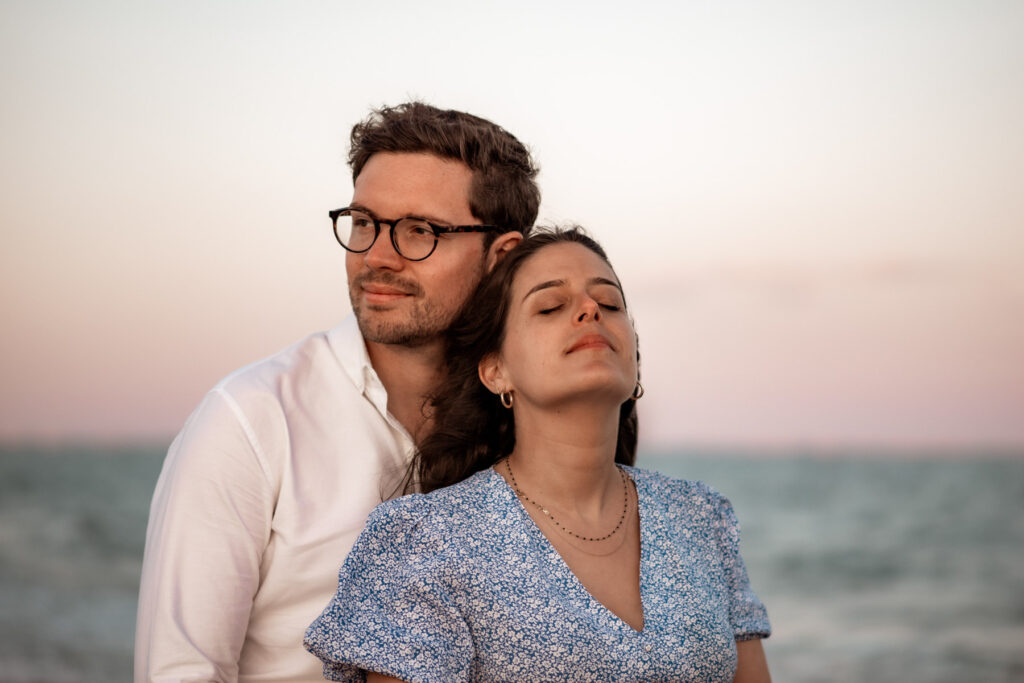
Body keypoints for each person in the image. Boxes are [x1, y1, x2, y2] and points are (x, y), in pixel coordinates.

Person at [134, 102, 541, 683]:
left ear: (500, 257)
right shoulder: (251, 419)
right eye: (364, 222)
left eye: (420, 231)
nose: (376, 256)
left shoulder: (527, 424)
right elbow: (180, 672)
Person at [305, 228, 772, 682]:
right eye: (550, 306)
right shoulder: (424, 542)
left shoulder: (701, 516)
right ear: (495, 371)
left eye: (610, 303)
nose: (591, 310)